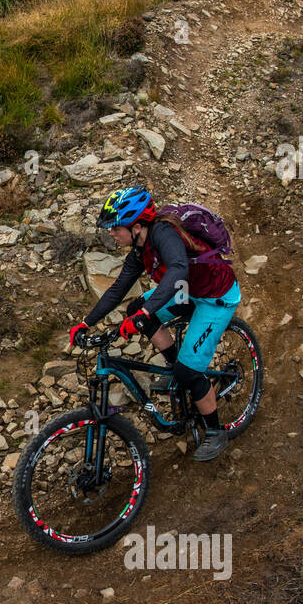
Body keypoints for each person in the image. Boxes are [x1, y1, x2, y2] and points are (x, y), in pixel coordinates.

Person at [67, 186, 241, 462]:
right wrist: (86, 323)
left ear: (136, 226)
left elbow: (178, 269)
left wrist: (147, 313)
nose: (111, 233)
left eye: (115, 228)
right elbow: (118, 289)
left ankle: (215, 431)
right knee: (136, 308)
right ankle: (175, 367)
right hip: (186, 291)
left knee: (188, 371)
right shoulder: (139, 248)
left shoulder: (162, 234)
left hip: (214, 296)